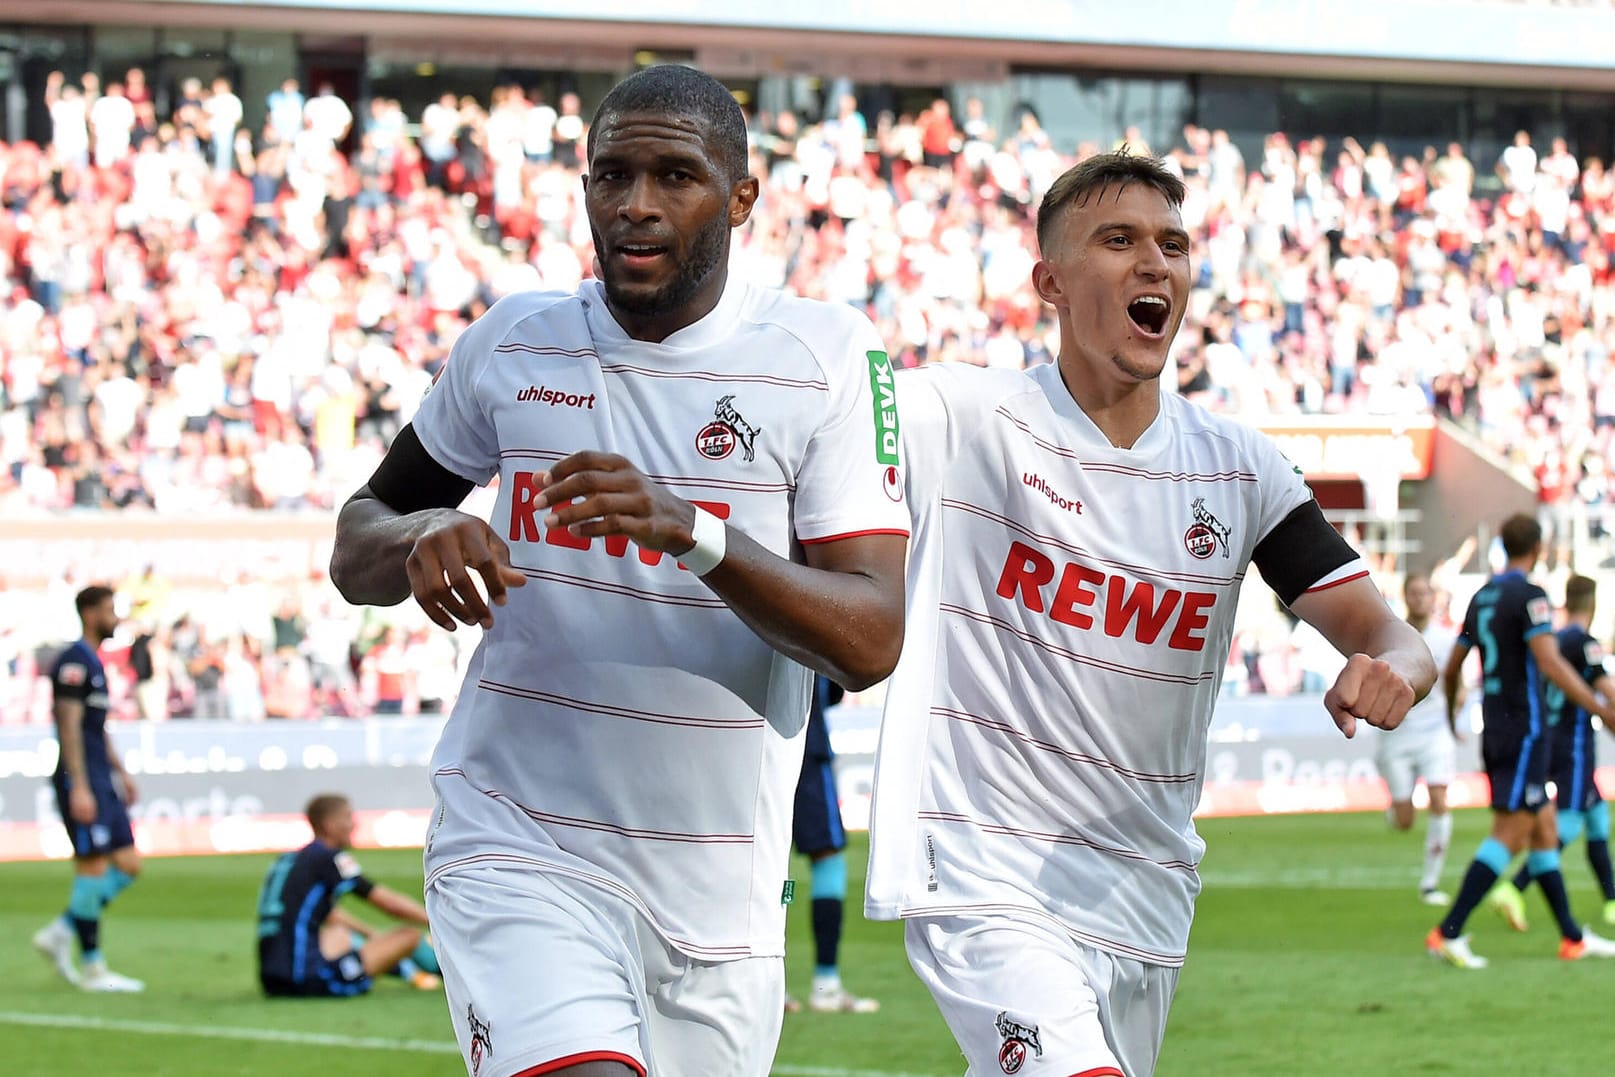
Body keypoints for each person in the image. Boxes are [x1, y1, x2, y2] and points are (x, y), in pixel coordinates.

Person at [328, 64, 908, 1077]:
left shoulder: (824, 357)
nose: (634, 205)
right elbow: (355, 537)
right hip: (518, 846)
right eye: (611, 175)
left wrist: (696, 533)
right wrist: (422, 535)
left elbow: (869, 640)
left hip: (715, 895)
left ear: (739, 198)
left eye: (673, 176)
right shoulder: (516, 342)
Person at [863, 150, 1434, 1077]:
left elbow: (1390, 634)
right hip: (982, 876)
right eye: (1117, 239)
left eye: (1172, 244)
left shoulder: (1239, 468)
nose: (1153, 264)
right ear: (1048, 279)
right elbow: (805, 415)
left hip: (1146, 891)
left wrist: (1394, 671)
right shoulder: (962, 416)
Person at [1427, 517, 1615, 968]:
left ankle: (1572, 937)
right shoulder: (1531, 597)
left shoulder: (1482, 596)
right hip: (1526, 730)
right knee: (1510, 833)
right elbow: (1548, 662)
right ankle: (1447, 932)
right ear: (1539, 546)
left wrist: (1454, 713)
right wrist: (1598, 706)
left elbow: (1453, 667)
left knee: (1545, 829)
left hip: (1496, 726)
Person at [31, 585, 145, 992]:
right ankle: (94, 967)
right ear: (91, 613)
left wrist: (119, 770)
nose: (115, 618)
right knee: (93, 866)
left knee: (128, 863)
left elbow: (97, 727)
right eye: (110, 610)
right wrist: (78, 784)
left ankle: (62, 930)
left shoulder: (93, 663)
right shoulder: (72, 662)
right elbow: (68, 726)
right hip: (81, 775)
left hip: (100, 775)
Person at [1492, 574, 1615, 931]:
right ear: (1592, 604)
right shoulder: (1584, 643)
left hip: (1552, 738)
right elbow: (1606, 691)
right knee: (1570, 822)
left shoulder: (1554, 641)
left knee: (1596, 819)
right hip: (1574, 746)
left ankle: (1610, 901)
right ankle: (1513, 889)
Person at [256, 794, 440, 997]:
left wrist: (372, 936)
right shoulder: (329, 858)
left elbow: (329, 914)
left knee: (341, 935)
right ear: (329, 824)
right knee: (409, 937)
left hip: (273, 979)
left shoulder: (288, 860)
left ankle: (407, 971)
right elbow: (390, 905)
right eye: (348, 817)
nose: (354, 825)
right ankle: (449, 970)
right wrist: (436, 921)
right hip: (307, 978)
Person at [785, 677, 878, 1015]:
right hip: (804, 743)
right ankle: (826, 986)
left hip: (755, 742)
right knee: (828, 858)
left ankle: (762, 983)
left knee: (767, 864)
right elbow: (840, 678)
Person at [1374, 573, 1462, 905]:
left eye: (1425, 592)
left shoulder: (1445, 638)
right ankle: (1396, 809)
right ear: (1406, 596)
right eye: (1414, 592)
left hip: (1435, 732)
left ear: (1432, 597)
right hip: (1398, 735)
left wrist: (1456, 714)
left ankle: (1430, 882)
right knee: (1404, 821)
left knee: (1440, 800)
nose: (1420, 598)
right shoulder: (1394, 636)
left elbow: (1457, 682)